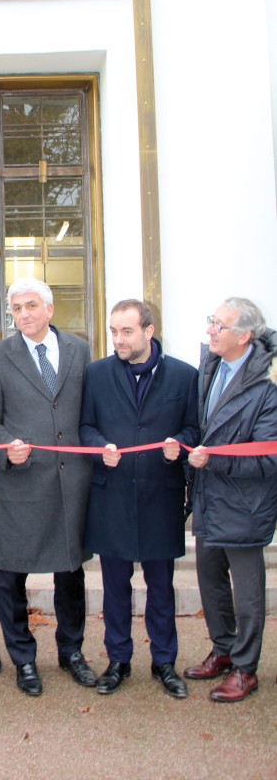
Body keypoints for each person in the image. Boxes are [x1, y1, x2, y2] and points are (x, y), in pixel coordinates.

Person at [0, 278, 94, 696]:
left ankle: (71, 651)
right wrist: (5, 445)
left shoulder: (79, 350)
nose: (23, 314)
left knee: (70, 575)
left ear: (49, 309)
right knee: (11, 577)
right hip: (22, 482)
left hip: (70, 483)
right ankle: (23, 658)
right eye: (16, 308)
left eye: (30, 306)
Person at [79, 299, 199, 698]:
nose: (118, 339)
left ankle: (164, 662)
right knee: (115, 588)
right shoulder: (96, 374)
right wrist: (100, 448)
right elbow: (85, 426)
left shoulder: (184, 376)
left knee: (161, 588)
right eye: (114, 331)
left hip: (159, 498)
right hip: (111, 498)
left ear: (149, 331)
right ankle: (118, 660)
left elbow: (194, 428)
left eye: (126, 331)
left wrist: (179, 444)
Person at [184, 298, 277, 702]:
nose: (210, 330)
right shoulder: (209, 371)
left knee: (248, 591)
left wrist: (213, 460)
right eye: (212, 321)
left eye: (219, 325)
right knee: (210, 581)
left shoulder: (266, 392)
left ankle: (245, 668)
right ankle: (223, 650)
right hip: (208, 498)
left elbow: (268, 456)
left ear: (244, 336)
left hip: (245, 505)